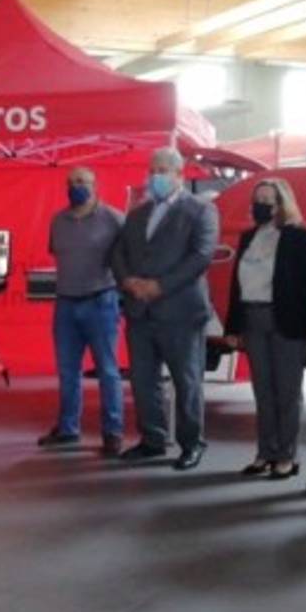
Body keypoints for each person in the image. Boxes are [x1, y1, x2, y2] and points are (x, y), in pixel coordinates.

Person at [112, 147, 220, 471]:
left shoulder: (201, 211)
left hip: (180, 312)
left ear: (179, 175)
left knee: (187, 381)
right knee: (144, 381)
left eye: (163, 170)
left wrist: (160, 286)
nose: (155, 176)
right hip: (139, 311)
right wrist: (128, 280)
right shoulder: (137, 214)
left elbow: (201, 257)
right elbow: (118, 253)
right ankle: (152, 440)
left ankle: (192, 443)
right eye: (152, 169)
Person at [223, 178, 306, 481]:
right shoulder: (248, 236)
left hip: (286, 320)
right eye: (257, 199)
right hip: (253, 318)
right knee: (262, 392)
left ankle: (287, 455)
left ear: (282, 203)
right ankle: (265, 452)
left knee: (287, 392)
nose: (261, 205)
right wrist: (233, 325)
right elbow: (236, 285)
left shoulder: (299, 237)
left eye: (268, 199)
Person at [37, 167, 126, 457]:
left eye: (83, 182)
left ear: (95, 185)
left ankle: (113, 433)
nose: (77, 187)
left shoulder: (113, 218)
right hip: (65, 303)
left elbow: (128, 257)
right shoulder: (58, 221)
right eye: (72, 182)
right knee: (67, 371)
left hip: (101, 301)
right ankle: (67, 429)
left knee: (108, 372)